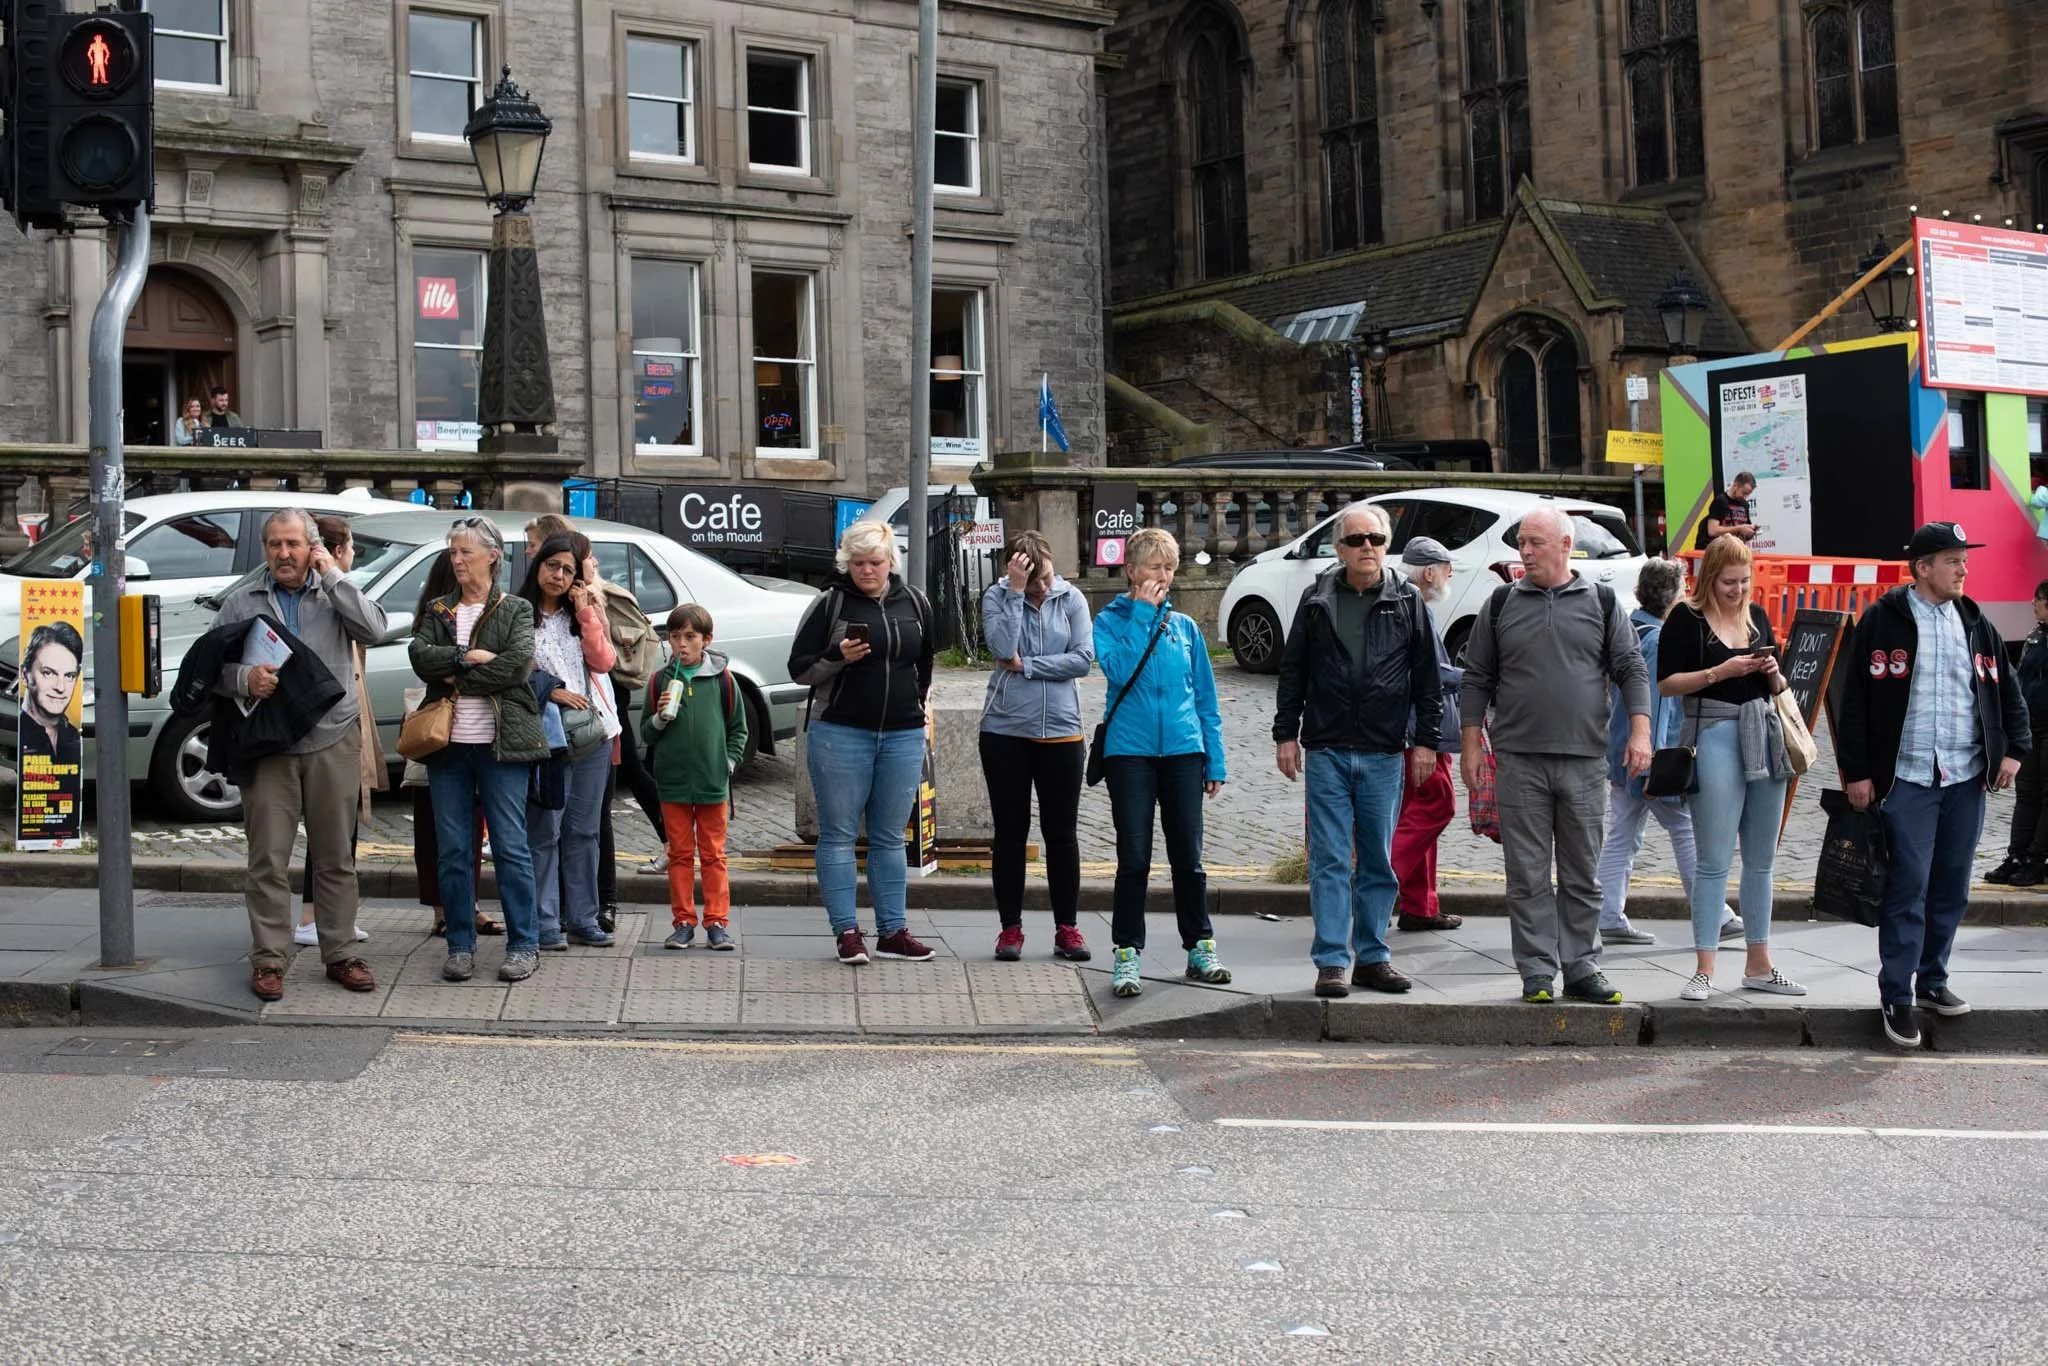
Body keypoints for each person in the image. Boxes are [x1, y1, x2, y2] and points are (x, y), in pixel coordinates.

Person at [1837, 521, 2029, 1049]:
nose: (1964, 569)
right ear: (1923, 569)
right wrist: (1857, 771)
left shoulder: (1973, 620)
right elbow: (1853, 700)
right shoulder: (1883, 620)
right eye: (1953, 560)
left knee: (1951, 887)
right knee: (1908, 889)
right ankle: (1896, 993)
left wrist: (2014, 749)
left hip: (1964, 778)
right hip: (1908, 778)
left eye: (1964, 560)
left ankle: (1933, 981)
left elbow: (2005, 690)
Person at [1460, 506, 1651, 1005]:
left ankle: (1582, 966)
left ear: (1566, 545)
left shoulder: (1603, 602)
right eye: (1521, 542)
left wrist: (1640, 731)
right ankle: (1537, 971)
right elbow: (1477, 676)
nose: (1525, 552)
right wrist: (1470, 743)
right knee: (1526, 874)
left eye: (1535, 543)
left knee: (1582, 873)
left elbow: (1631, 667)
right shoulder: (1500, 604)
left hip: (1585, 760)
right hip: (1518, 759)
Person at [214, 509, 388, 1003]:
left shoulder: (333, 593)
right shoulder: (242, 600)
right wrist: (244, 680)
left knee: (335, 856)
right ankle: (269, 959)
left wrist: (332, 574)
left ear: (312, 547)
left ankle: (341, 952)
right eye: (274, 545)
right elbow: (211, 667)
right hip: (269, 746)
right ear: (264, 550)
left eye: (293, 544)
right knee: (267, 858)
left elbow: (374, 628)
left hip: (332, 737)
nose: (283, 554)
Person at [1274, 504, 1440, 999]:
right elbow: (1293, 672)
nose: (1367, 547)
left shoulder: (1408, 600)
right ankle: (1331, 961)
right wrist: (1286, 733)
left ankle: (1373, 957)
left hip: (1385, 751)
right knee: (1329, 859)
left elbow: (1428, 680)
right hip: (1326, 748)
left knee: (1377, 861)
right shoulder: (1316, 599)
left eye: (1376, 539)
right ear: (1339, 548)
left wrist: (1426, 741)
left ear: (1388, 545)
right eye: (1356, 540)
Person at [1656, 534, 1803, 1001]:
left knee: (1762, 861)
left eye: (1744, 582)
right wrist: (1723, 671)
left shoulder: (1756, 616)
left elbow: (1778, 679)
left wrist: (1769, 672)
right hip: (1715, 733)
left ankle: (1760, 964)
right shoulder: (1686, 618)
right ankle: (1703, 968)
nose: (1738, 591)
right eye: (1728, 583)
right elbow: (1667, 685)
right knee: (1713, 860)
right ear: (1709, 578)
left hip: (1764, 731)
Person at [788, 519, 937, 966]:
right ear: (846, 563)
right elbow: (799, 671)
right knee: (838, 836)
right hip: (840, 732)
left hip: (903, 733)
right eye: (857, 563)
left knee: (891, 838)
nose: (867, 571)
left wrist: (920, 706)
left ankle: (893, 931)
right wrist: (837, 657)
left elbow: (925, 662)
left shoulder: (914, 601)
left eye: (875, 562)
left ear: (891, 562)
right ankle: (847, 933)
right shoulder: (829, 604)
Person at [410, 516, 547, 984]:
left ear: (493, 555)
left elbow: (515, 669)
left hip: (500, 745)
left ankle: (524, 944)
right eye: (453, 552)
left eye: (465, 551)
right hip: (447, 747)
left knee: (511, 848)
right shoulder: (439, 608)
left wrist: (453, 671)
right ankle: (460, 945)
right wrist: (465, 657)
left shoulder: (516, 610)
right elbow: (418, 657)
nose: (457, 559)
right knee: (452, 850)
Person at [1096, 527, 1230, 998]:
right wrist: (1141, 613)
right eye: (1155, 567)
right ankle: (1127, 952)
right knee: (1133, 858)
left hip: (1182, 751)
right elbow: (1117, 669)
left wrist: (1214, 759)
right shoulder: (1110, 621)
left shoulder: (1187, 628)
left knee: (1188, 859)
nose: (1163, 576)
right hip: (1129, 752)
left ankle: (1200, 946)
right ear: (1132, 571)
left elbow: (1206, 700)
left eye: (1169, 568)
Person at [1594, 558, 1742, 947]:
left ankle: (1607, 912)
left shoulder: (1630, 627)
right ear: (1674, 595)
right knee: (1684, 829)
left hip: (1622, 748)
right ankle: (1715, 913)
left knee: (1623, 833)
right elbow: (1658, 703)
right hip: (1650, 756)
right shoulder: (1659, 639)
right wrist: (1657, 762)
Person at [978, 530, 1096, 963]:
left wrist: (1027, 666)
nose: (1042, 588)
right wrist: (1013, 593)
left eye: (1045, 577)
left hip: (1062, 730)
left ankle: (1068, 927)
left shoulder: (1073, 599)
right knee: (1010, 833)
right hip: (1006, 730)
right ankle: (1010, 928)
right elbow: (1000, 647)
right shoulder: (997, 597)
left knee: (1061, 834)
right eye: (1032, 583)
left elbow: (1083, 659)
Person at [518, 531, 618, 950]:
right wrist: (550, 689)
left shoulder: (582, 615)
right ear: (538, 566)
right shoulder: (518, 613)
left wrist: (586, 613)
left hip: (590, 735)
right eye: (552, 566)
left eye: (568, 570)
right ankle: (545, 921)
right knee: (545, 832)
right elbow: (509, 668)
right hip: (546, 738)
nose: (558, 576)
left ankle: (583, 917)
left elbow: (604, 661)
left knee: (584, 831)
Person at [289, 516, 385, 948]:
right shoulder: (325, 593)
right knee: (332, 826)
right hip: (331, 723)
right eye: (348, 548)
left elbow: (375, 626)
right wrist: (332, 575)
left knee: (339, 825)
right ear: (336, 549)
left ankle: (326, 917)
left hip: (347, 715)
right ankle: (316, 918)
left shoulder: (338, 589)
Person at [400, 552, 499, 938]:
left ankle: (463, 907)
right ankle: (446, 911)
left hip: (474, 732)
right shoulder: (438, 616)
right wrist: (463, 662)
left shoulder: (483, 611)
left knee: (469, 828)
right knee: (438, 828)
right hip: (441, 730)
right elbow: (434, 668)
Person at [643, 603, 748, 949]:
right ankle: (683, 921)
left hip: (711, 782)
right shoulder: (660, 680)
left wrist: (727, 762)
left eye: (690, 637)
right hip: (672, 783)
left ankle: (717, 922)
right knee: (679, 854)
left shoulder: (723, 681)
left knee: (714, 855)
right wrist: (659, 720)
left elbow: (738, 730)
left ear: (706, 640)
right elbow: (647, 733)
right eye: (675, 637)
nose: (682, 645)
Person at [1388, 536, 1465, 933]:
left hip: (1414, 727)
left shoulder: (1403, 600)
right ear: (1430, 571)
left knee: (1416, 814)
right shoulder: (1414, 606)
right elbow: (1430, 672)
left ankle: (1420, 905)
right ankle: (1377, 882)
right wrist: (1477, 679)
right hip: (1420, 728)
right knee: (1437, 805)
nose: (1449, 578)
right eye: (1448, 570)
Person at [1984, 580, 2048, 886]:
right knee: (2026, 794)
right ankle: (2017, 855)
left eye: (2037, 600)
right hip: (2032, 725)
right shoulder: (2037, 635)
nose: (2032, 605)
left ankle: (2037, 859)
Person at [17, 621, 83, 769]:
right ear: (24, 675)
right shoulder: (19, 732)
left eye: (69, 676)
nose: (61, 687)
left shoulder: (73, 735)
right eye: (48, 673)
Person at [1693, 471, 1758, 549]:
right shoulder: (1720, 501)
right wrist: (1740, 528)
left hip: (1733, 550)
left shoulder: (1745, 505)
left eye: (1748, 494)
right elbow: (1712, 531)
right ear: (1735, 485)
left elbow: (1745, 533)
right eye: (1743, 493)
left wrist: (1751, 531)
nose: (1745, 497)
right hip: (1716, 551)